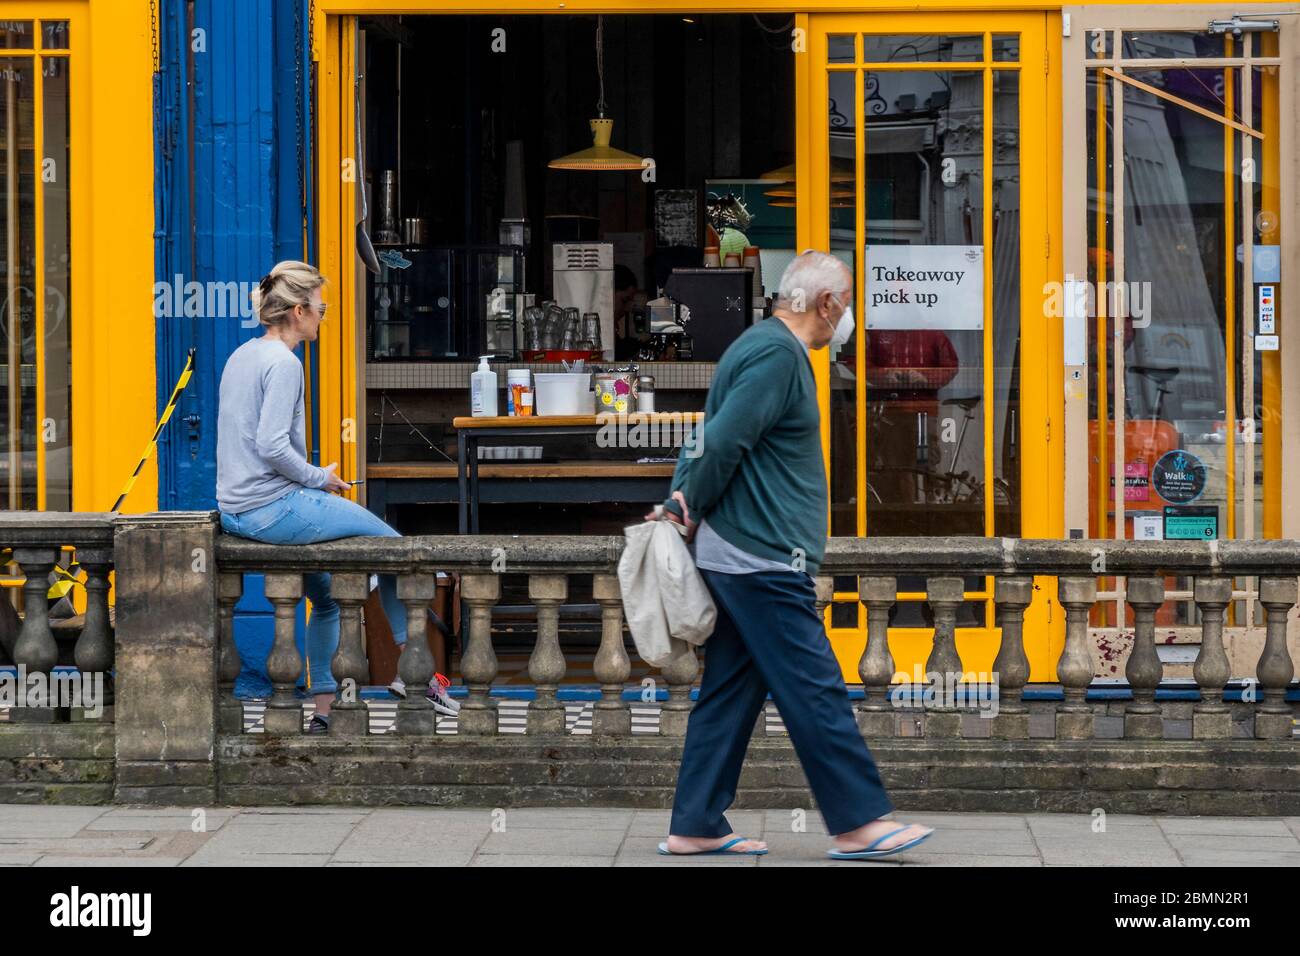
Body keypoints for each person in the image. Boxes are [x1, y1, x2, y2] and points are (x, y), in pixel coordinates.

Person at [650, 250, 935, 860]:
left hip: (744, 549)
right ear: (827, 303)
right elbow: (723, 439)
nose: (851, 314)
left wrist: (683, 498)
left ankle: (695, 824)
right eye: (849, 300)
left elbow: (712, 433)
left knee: (730, 690)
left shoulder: (762, 347)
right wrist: (683, 503)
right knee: (815, 687)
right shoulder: (779, 355)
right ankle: (860, 822)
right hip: (760, 552)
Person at [215, 260, 458, 732]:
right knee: (396, 549)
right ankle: (418, 675)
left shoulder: (241, 355)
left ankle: (323, 714)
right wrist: (316, 478)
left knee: (326, 598)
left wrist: (308, 479)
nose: (324, 318)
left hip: (239, 510)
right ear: (300, 310)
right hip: (273, 508)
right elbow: (269, 445)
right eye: (322, 309)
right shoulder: (284, 363)